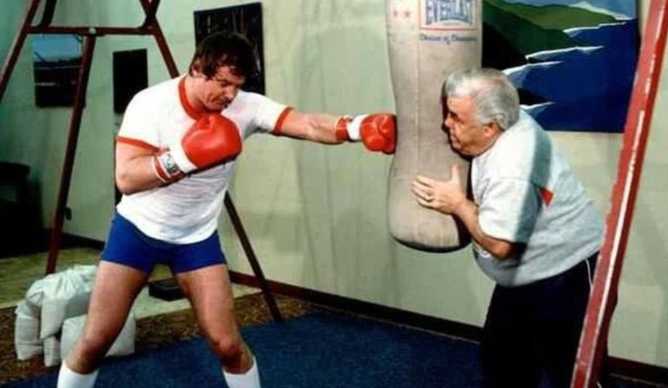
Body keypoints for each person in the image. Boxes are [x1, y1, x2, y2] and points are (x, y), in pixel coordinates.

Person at [57, 31, 395, 388]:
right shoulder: (151, 103)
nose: (230, 94)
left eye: (237, 85)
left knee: (228, 344)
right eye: (222, 83)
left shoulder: (244, 106)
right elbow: (126, 177)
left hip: (195, 237)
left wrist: (357, 127)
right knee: (96, 341)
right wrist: (185, 158)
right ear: (197, 69)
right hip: (137, 231)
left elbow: (308, 124)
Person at [411, 68, 605, 388]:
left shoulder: (513, 166)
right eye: (448, 112)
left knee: (574, 373)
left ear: (490, 127)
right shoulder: (505, 118)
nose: (447, 124)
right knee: (503, 362)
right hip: (523, 274)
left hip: (566, 269)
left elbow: (502, 246)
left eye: (456, 118)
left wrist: (458, 204)